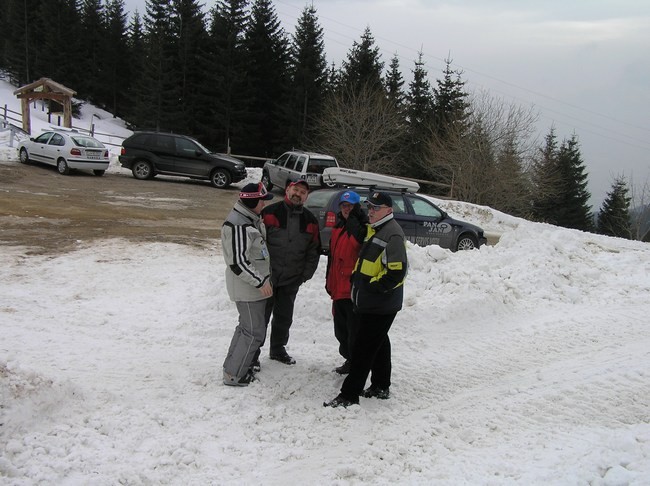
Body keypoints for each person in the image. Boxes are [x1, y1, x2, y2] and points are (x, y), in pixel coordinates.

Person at [324, 191, 408, 407]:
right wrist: (356, 278)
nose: (370, 211)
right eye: (369, 207)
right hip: (371, 301)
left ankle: (349, 395)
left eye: (375, 208)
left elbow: (396, 272)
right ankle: (381, 385)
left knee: (362, 349)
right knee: (379, 344)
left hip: (380, 303)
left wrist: (372, 288)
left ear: (388, 210)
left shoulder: (393, 234)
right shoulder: (377, 229)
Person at [260, 179, 320, 365]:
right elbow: (256, 243)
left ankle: (277, 349)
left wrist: (304, 275)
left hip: (291, 279)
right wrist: (260, 274)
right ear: (287, 190)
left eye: (303, 192)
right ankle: (252, 353)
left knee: (284, 318)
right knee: (260, 318)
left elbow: (314, 250)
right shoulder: (269, 213)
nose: (298, 194)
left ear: (306, 197)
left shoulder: (310, 220)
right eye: (296, 190)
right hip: (267, 279)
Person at [222, 182, 274, 386]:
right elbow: (237, 262)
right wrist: (260, 281)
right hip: (248, 289)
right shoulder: (239, 225)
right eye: (262, 200)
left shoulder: (250, 219)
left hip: (253, 288)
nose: (264, 204)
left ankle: (232, 368)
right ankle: (235, 375)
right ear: (253, 201)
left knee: (246, 328)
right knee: (254, 331)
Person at [325, 190, 367, 375]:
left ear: (357, 207)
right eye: (344, 206)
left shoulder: (362, 227)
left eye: (350, 206)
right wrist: (328, 281)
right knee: (340, 331)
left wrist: (353, 223)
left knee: (354, 332)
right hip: (337, 288)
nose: (346, 209)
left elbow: (358, 246)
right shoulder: (338, 228)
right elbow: (332, 258)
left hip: (351, 289)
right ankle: (349, 359)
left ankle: (356, 364)